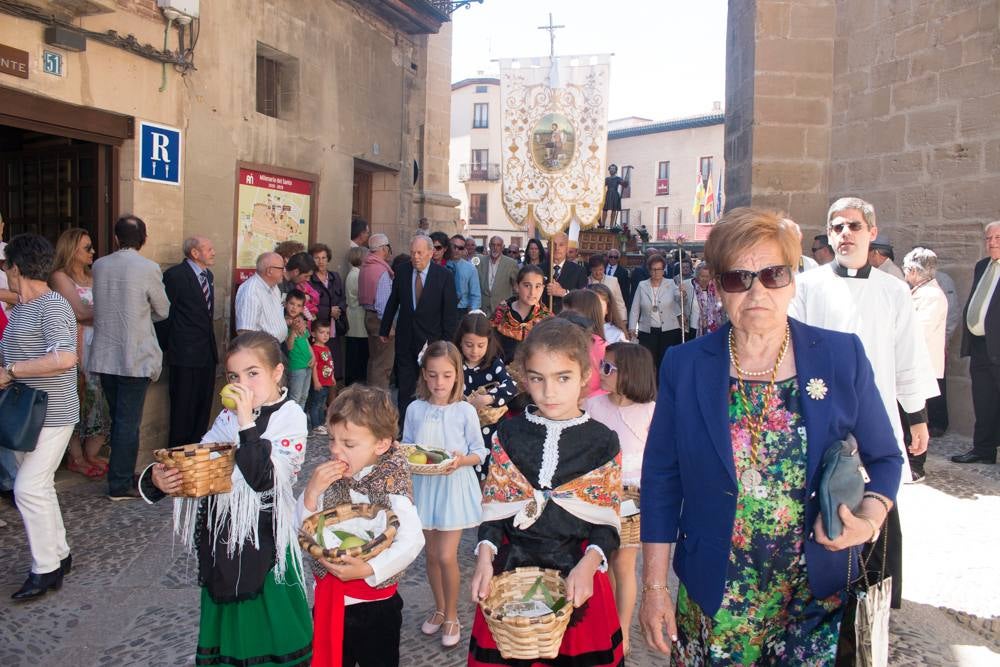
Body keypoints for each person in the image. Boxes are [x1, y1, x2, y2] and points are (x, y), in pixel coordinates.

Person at [640, 208, 902, 663]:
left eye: (773, 274)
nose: (757, 291)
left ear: (793, 279)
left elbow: (886, 459)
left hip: (812, 596)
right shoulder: (685, 365)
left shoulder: (841, 356)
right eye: (739, 278)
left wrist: (870, 518)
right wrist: (655, 587)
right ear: (717, 287)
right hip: (716, 595)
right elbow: (662, 480)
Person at [789, 197, 938, 622]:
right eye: (837, 227)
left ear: (872, 233)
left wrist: (917, 417)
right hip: (822, 416)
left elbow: (909, 355)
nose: (845, 234)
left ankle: (876, 599)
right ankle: (821, 590)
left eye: (854, 226)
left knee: (878, 500)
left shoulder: (893, 290)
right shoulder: (808, 286)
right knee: (826, 501)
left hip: (876, 417)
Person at [142, 332, 312, 666]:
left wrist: (247, 419)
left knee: (272, 628)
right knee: (228, 629)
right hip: (224, 540)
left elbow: (262, 477)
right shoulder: (226, 417)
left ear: (277, 372)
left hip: (267, 543)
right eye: (234, 376)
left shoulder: (291, 416)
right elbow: (202, 461)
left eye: (253, 373)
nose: (242, 385)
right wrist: (160, 479)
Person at [469, 317, 624, 666]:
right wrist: (484, 557)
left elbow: (606, 519)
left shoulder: (602, 442)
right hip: (512, 575)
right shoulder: (510, 434)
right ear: (525, 377)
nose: (549, 392)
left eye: (563, 378)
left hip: (577, 575)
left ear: (585, 376)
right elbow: (498, 508)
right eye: (538, 379)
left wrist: (590, 562)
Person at [298, 385, 424, 666]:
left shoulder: (391, 485)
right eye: (332, 440)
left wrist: (369, 569)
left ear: (381, 444)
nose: (335, 451)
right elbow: (305, 529)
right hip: (330, 600)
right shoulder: (330, 477)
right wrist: (311, 494)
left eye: (348, 444)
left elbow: (413, 540)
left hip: (375, 608)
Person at [0, 233, 80, 600]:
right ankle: (59, 555)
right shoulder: (22, 308)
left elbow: (65, 358)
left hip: (53, 412)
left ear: (16, 268)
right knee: (40, 487)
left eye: (6, 266)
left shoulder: (52, 305)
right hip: (26, 414)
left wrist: (13, 371)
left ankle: (45, 570)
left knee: (27, 488)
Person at [402, 341, 486, 648]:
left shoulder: (464, 411)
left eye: (447, 376)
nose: (439, 383)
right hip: (424, 487)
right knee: (430, 555)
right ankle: (438, 608)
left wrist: (460, 460)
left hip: (453, 487)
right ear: (424, 374)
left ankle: (452, 614)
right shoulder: (415, 408)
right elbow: (408, 446)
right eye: (433, 375)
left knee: (446, 555)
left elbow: (479, 451)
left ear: (457, 376)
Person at [90, 215, 170, 501]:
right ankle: (120, 482)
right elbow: (163, 309)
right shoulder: (148, 267)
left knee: (118, 418)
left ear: (115, 238)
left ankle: (120, 473)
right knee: (128, 421)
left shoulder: (99, 265)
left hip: (105, 355)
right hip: (135, 355)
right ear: (144, 239)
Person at [584, 342, 656, 656]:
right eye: (603, 365)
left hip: (634, 497)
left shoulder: (651, 409)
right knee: (603, 559)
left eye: (608, 368)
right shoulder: (593, 404)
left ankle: (622, 628)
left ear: (629, 374)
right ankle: (608, 618)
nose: (602, 371)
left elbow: (661, 457)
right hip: (598, 492)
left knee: (624, 563)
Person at [49, 228, 110, 476]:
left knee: (99, 398)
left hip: (100, 345)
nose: (92, 252)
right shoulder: (59, 277)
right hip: (77, 344)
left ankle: (91, 452)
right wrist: (108, 313)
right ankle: (75, 456)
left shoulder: (94, 276)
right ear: (72, 250)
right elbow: (79, 312)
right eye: (87, 247)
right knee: (77, 396)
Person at [379, 235, 459, 418]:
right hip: (406, 337)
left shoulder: (444, 276)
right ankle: (405, 425)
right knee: (406, 385)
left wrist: (447, 342)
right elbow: (393, 301)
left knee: (430, 382)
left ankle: (431, 420)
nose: (416, 257)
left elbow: (449, 312)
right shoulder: (402, 271)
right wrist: (385, 328)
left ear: (431, 253)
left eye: (420, 253)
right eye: (413, 252)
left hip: (432, 340)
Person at [158, 236, 218, 449]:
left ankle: (196, 456)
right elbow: (165, 316)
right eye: (209, 249)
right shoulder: (175, 276)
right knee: (183, 410)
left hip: (206, 354)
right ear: (195, 253)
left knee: (202, 410)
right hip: (184, 355)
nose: (213, 252)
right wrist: (169, 347)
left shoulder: (208, 276)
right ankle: (177, 459)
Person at [952, 220, 1000, 464]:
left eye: (997, 238)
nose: (991, 243)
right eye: (988, 239)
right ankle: (983, 450)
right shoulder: (982, 266)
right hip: (981, 346)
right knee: (983, 401)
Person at [903, 247, 948, 482]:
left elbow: (918, 331)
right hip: (911, 364)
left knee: (917, 416)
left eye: (906, 269)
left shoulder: (931, 296)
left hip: (921, 364)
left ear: (913, 270)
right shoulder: (920, 292)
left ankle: (917, 464)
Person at [453, 312, 518, 477]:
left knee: (485, 468)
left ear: (489, 342)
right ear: (460, 341)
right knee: (459, 465)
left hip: (487, 429)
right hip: (458, 426)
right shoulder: (454, 362)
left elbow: (510, 386)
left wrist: (488, 398)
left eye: (481, 345)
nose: (474, 351)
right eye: (469, 344)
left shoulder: (493, 363)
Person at [629, 253, 684, 378]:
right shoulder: (642, 285)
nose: (656, 272)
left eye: (659, 269)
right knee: (648, 360)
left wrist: (682, 294)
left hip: (669, 330)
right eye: (653, 269)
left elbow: (679, 299)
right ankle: (649, 387)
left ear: (663, 270)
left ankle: (662, 386)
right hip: (647, 330)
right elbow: (635, 308)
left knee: (664, 360)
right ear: (649, 270)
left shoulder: (671, 283)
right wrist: (632, 327)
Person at [490, 264, 552, 363]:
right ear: (517, 286)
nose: (532, 292)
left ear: (543, 288)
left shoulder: (547, 319)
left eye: (537, 286)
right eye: (527, 286)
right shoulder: (501, 313)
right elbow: (490, 347)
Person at [359, 234, 394, 388]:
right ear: (384, 249)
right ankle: (378, 401)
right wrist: (389, 326)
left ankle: (371, 397)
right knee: (383, 364)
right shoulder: (381, 271)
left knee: (374, 360)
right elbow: (383, 304)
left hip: (368, 317)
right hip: (381, 320)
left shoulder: (366, 267)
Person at [309, 243, 347, 385]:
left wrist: (339, 310)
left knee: (334, 366)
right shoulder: (310, 279)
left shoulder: (334, 277)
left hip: (334, 326)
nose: (321, 261)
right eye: (317, 258)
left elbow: (343, 298)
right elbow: (309, 305)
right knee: (320, 365)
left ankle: (333, 401)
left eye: (324, 258)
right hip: (318, 327)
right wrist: (328, 311)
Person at [562, 289, 608, 399]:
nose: (563, 316)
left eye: (568, 312)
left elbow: (609, 385)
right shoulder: (564, 341)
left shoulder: (600, 346)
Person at [235, 252, 288, 342]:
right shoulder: (251, 291)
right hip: (263, 350)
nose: (284, 271)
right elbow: (246, 332)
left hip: (277, 346)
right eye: (282, 268)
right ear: (269, 271)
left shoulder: (274, 286)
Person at [543, 232, 588, 314]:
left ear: (567, 248)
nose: (557, 248)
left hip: (567, 320)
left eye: (561, 245)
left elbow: (584, 299)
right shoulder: (538, 269)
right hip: (542, 320)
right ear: (548, 246)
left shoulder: (579, 271)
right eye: (554, 244)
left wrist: (563, 292)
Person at [344, 246, 369, 386]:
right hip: (357, 317)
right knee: (356, 354)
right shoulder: (357, 275)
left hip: (355, 316)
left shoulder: (354, 273)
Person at [284, 289, 313, 410]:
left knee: (304, 396)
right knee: (294, 398)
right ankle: (291, 426)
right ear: (285, 304)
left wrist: (313, 357)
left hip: (307, 364)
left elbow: (307, 341)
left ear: (302, 309)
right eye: (291, 304)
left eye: (298, 305)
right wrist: (293, 332)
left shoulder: (301, 322)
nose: (294, 308)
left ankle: (299, 423)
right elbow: (289, 347)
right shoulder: (284, 323)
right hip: (296, 366)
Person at [477, 236, 518, 317]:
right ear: (489, 246)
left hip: (502, 311)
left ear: (503, 247)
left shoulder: (511, 263)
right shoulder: (480, 261)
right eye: (493, 245)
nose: (495, 248)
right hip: (483, 309)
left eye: (498, 245)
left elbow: (516, 287)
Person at [306, 322, 335, 434]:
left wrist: (332, 376)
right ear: (313, 333)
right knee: (316, 403)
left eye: (327, 333)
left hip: (327, 381)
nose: (325, 335)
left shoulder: (326, 348)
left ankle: (322, 423)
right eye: (321, 332)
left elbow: (330, 363)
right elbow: (314, 366)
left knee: (322, 403)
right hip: (319, 381)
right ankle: (315, 425)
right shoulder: (315, 349)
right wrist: (316, 381)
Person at [447, 234, 481, 321]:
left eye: (460, 248)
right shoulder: (442, 265)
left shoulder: (471, 268)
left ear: (464, 249)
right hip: (443, 309)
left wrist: (472, 315)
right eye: (454, 246)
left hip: (462, 311)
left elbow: (475, 295)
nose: (456, 250)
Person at [587, 253, 627, 324]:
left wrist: (623, 319)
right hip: (591, 320)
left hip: (611, 319)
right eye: (595, 270)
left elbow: (619, 302)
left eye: (600, 269)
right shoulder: (586, 282)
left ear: (604, 268)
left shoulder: (613, 280)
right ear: (590, 269)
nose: (598, 273)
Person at [690, 262, 727, 336]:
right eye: (702, 276)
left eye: (707, 276)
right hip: (695, 328)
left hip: (714, 327)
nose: (705, 279)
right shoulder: (690, 286)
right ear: (697, 276)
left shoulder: (716, 289)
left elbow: (721, 307)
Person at [283, 252, 318, 319]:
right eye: (306, 276)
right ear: (296, 272)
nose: (308, 280)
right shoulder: (276, 283)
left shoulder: (295, 284)